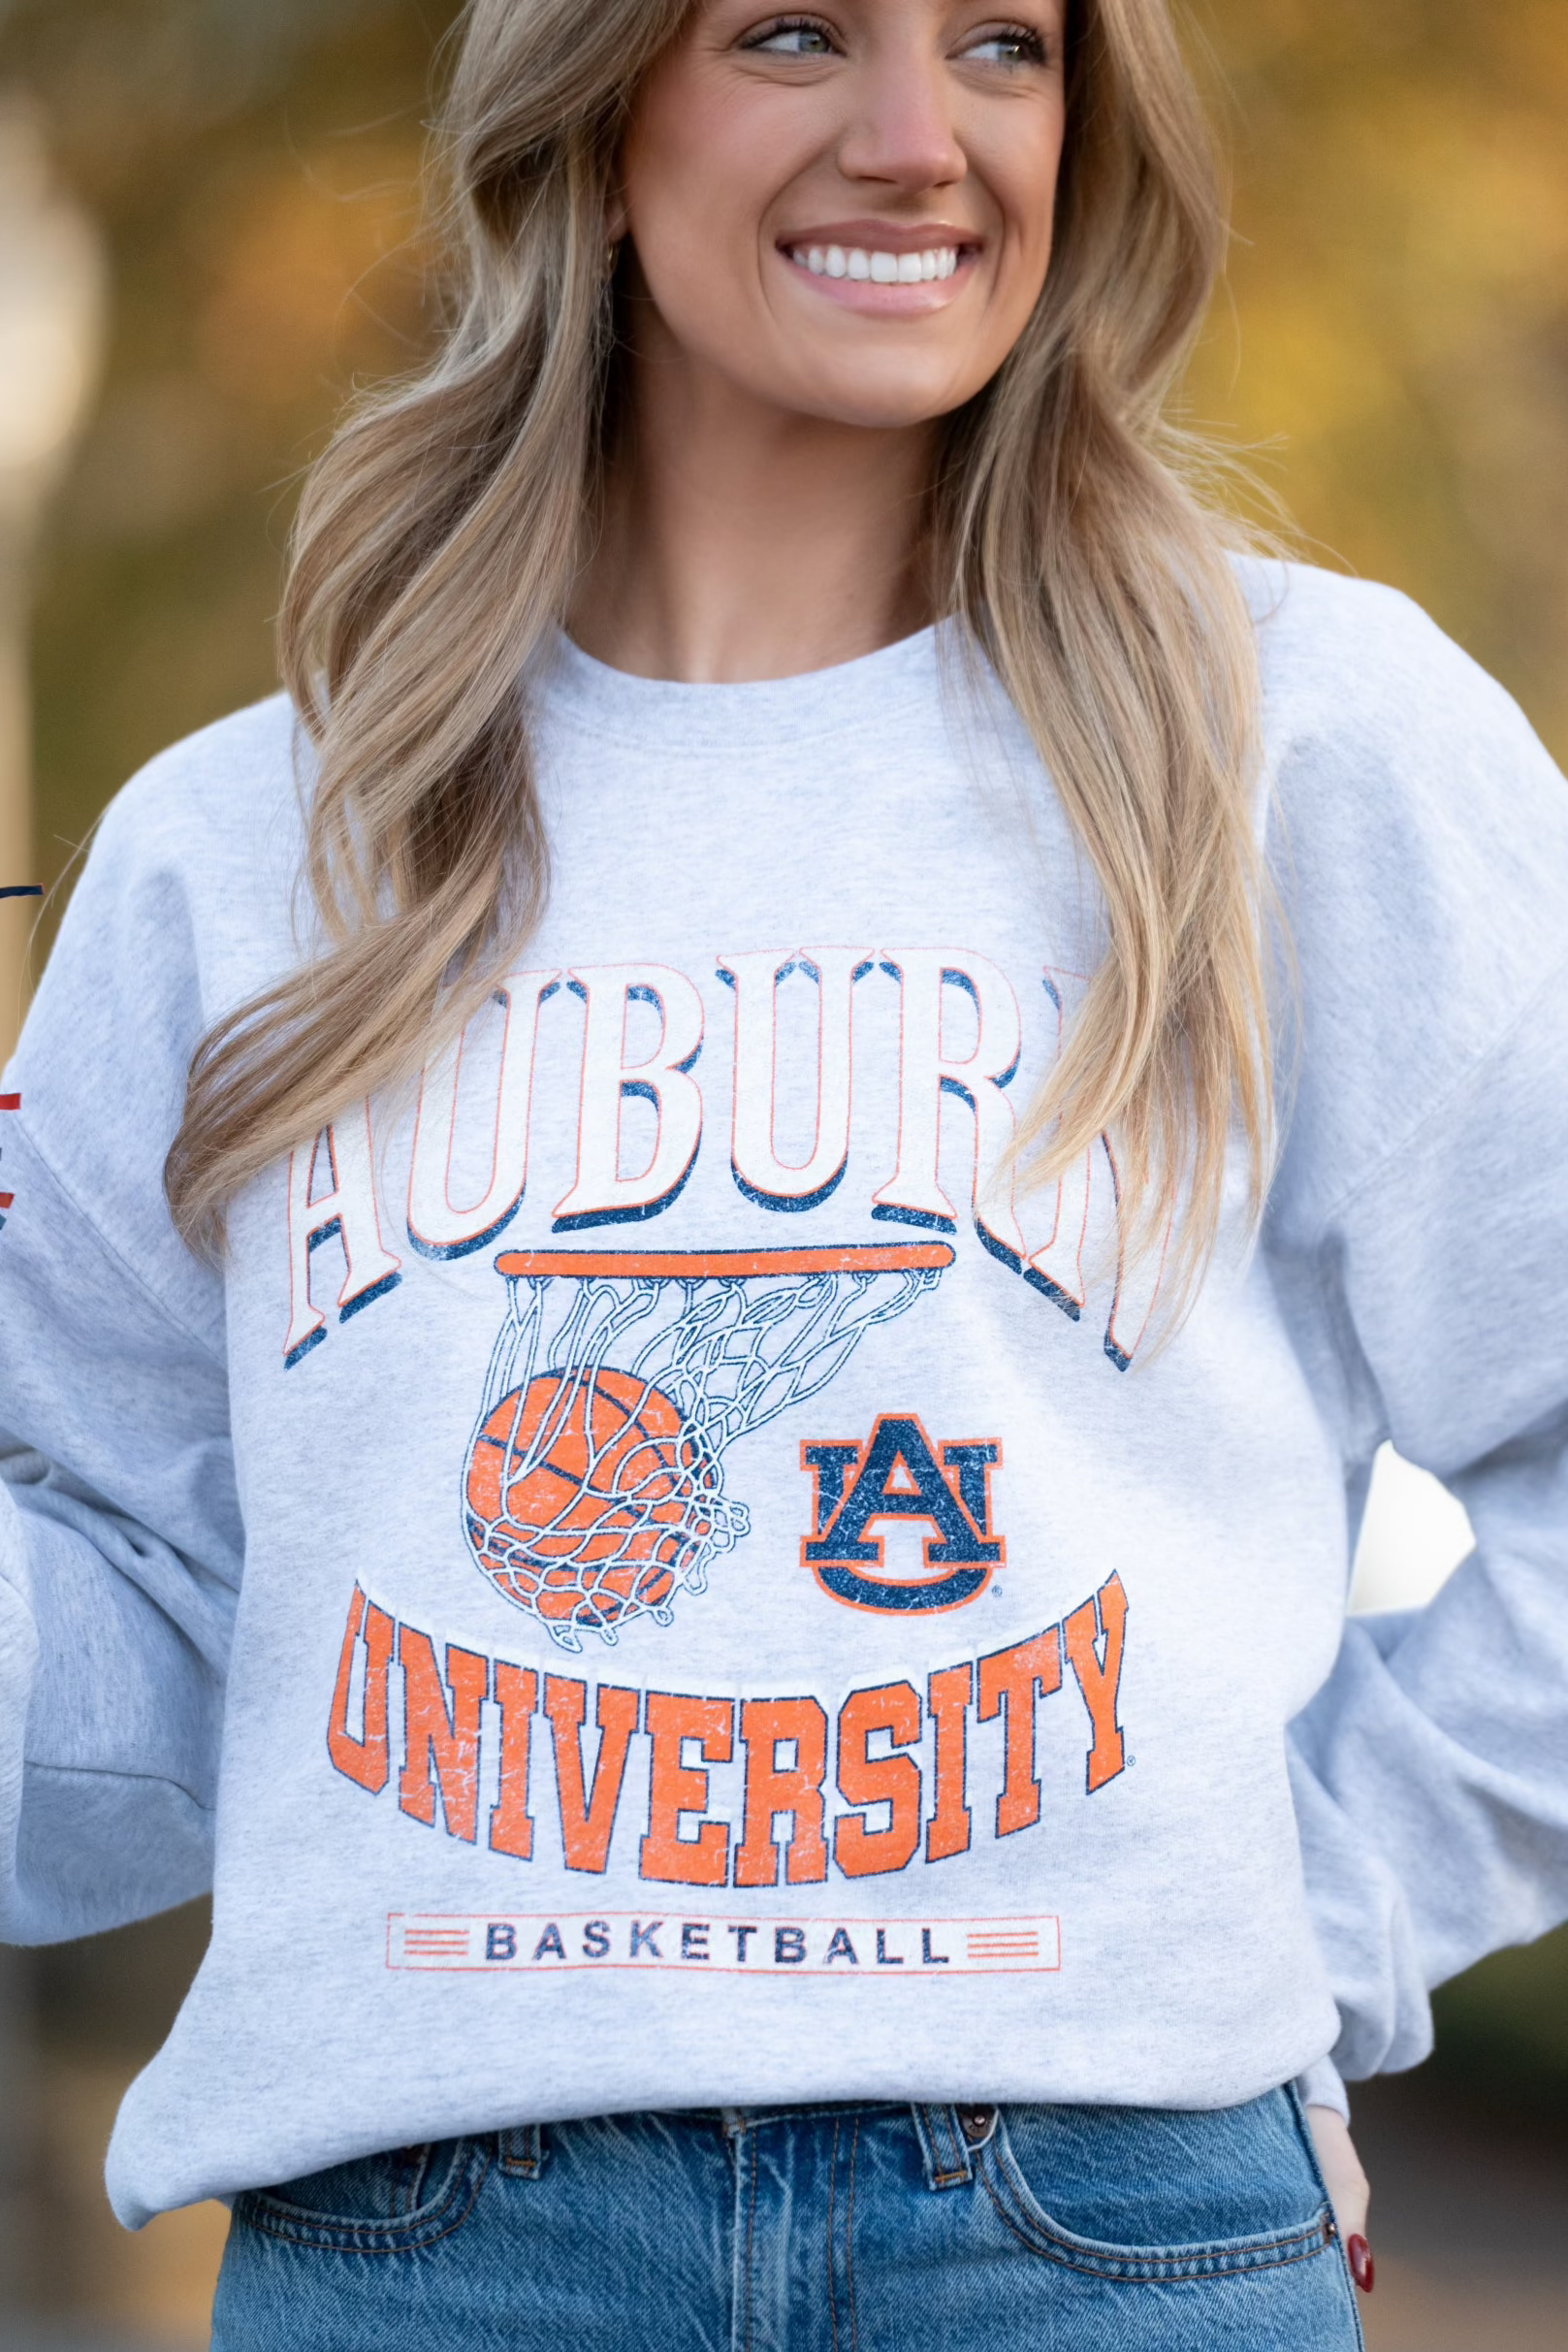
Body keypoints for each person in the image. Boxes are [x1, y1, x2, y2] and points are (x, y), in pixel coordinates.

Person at [3, 0, 1565, 2342]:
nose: (923, 141)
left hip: (1106, 2241)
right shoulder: (248, 847)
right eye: (800, 33)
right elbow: (127, 1608)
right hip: (439, 2254)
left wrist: (1297, 1922)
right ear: (594, 112)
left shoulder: (1305, 743)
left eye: (1011, 47)